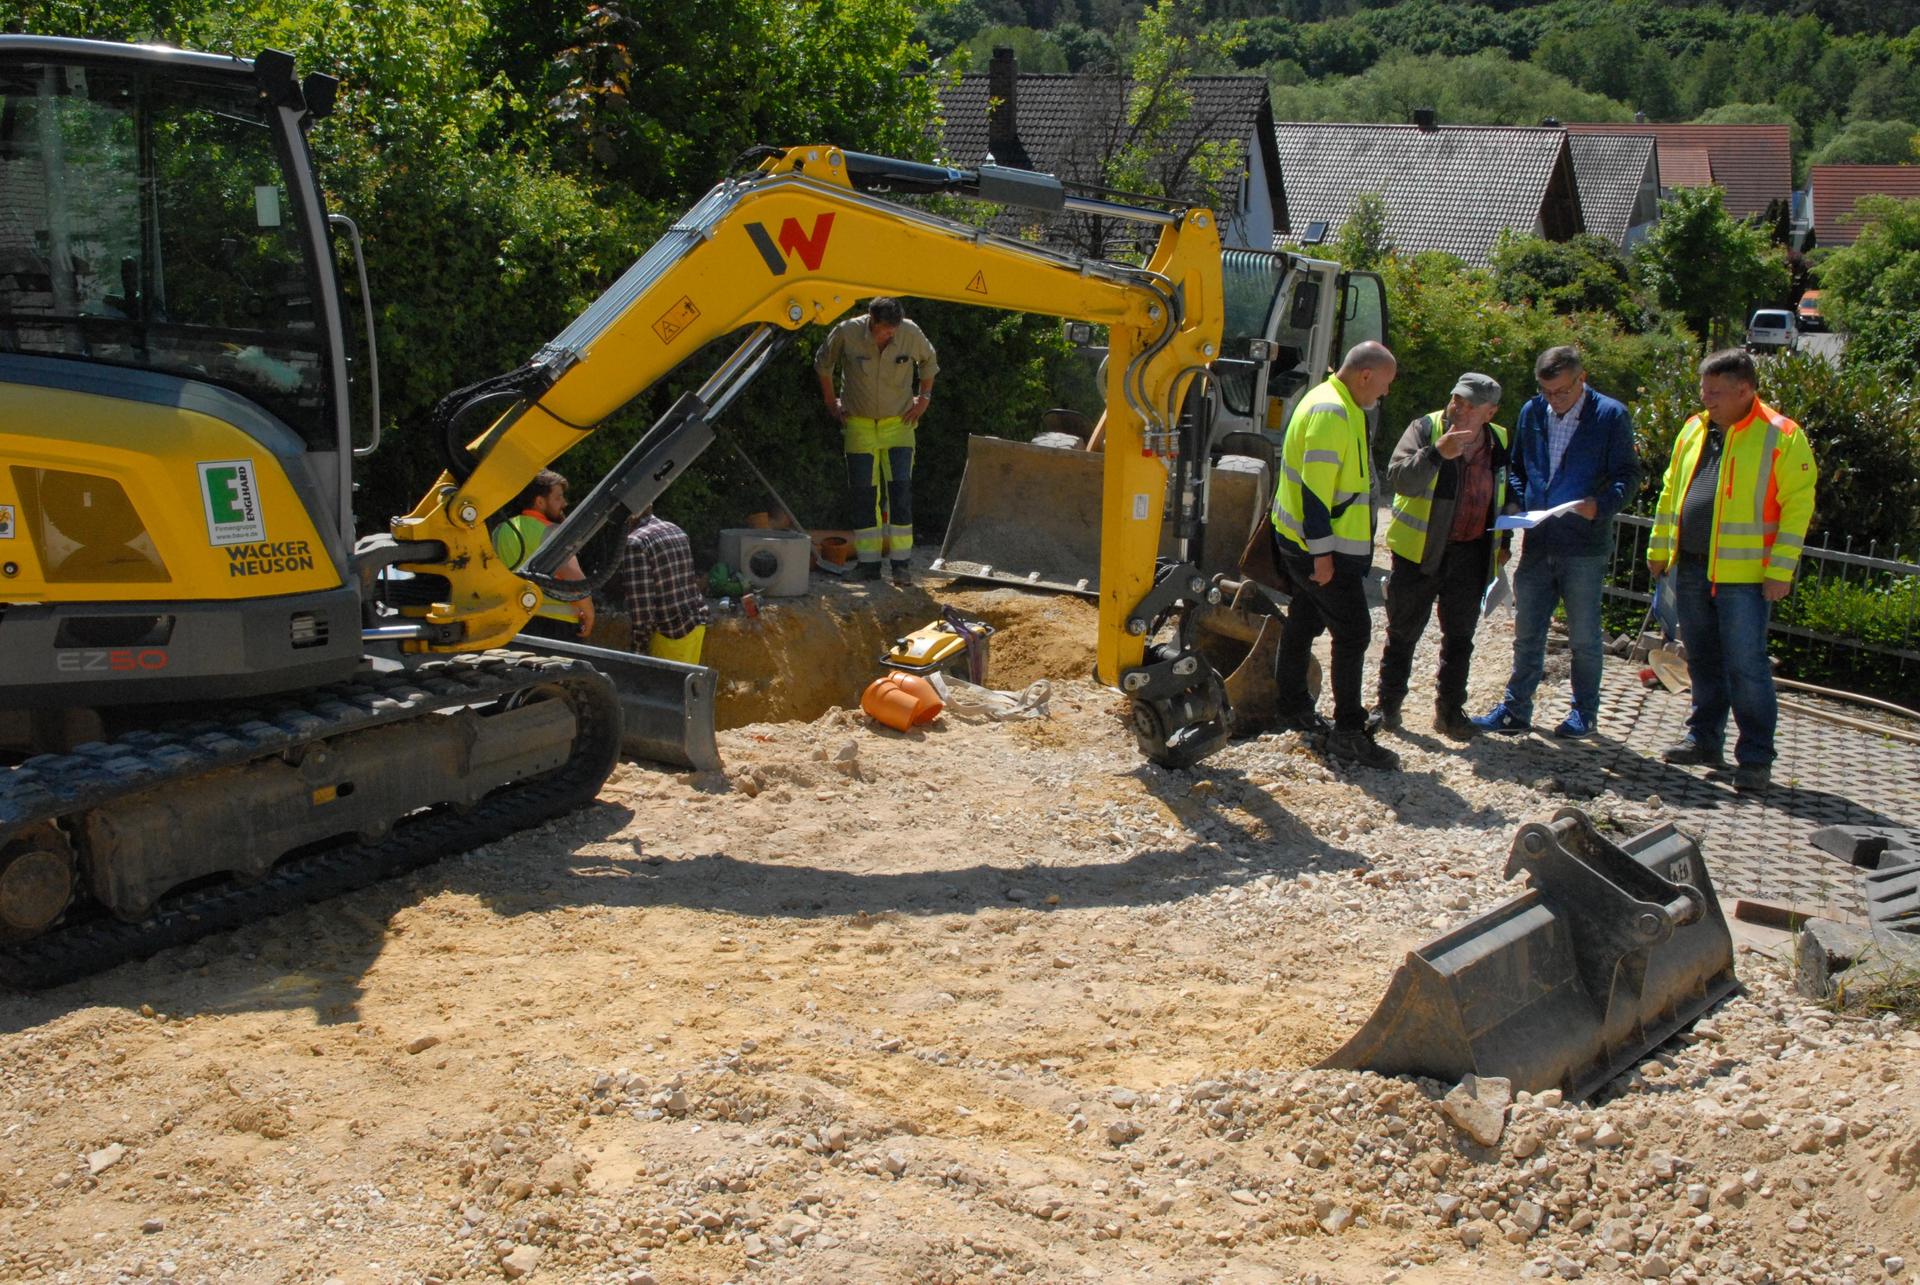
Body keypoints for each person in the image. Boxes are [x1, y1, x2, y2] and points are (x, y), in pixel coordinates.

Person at [1646, 348, 1817, 793]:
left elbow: (1798, 508)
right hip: (1694, 568)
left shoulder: (1782, 435)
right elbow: (1670, 492)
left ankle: (1756, 758)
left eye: (1716, 392)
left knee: (1747, 666)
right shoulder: (1694, 428)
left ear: (1745, 390)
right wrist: (1659, 547)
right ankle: (1704, 740)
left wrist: (1781, 570)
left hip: (1746, 576)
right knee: (1701, 658)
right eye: (1703, 390)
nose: (1707, 400)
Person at [1473, 346, 1638, 738]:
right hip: (1539, 540)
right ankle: (1516, 711)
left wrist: (1600, 506)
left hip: (1584, 545)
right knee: (1527, 631)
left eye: (1562, 392)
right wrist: (1516, 500)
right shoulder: (1533, 412)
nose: (1554, 400)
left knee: (1583, 636)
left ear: (1582, 379)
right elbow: (1517, 467)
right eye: (1547, 392)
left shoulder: (1610, 416)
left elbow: (1627, 475)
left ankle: (1584, 713)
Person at [1269, 339, 1400, 770]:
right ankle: (1347, 732)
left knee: (1305, 620)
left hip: (1315, 547)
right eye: (1383, 386)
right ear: (1365, 375)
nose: (1384, 395)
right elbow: (1314, 494)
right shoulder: (1332, 411)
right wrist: (1323, 556)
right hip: (1320, 551)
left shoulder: (1337, 403)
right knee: (1354, 633)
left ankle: (1290, 703)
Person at [1373, 372, 1510, 741]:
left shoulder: (1498, 440)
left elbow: (1505, 490)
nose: (1458, 408)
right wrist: (1436, 453)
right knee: (1402, 632)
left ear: (1490, 412)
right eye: (1455, 399)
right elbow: (1399, 479)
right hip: (1419, 553)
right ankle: (1387, 707)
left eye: (1469, 404)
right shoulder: (1425, 428)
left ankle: (1449, 713)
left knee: (1460, 637)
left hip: (1472, 553)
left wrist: (1507, 534)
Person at [816, 297, 938, 584]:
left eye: (893, 330)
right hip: (858, 425)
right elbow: (823, 365)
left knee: (900, 493)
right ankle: (868, 565)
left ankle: (901, 566)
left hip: (899, 425)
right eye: (885, 330)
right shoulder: (846, 331)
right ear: (871, 320)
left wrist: (925, 399)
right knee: (864, 494)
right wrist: (831, 403)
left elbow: (929, 362)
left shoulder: (911, 332)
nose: (890, 335)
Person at [492, 469, 595, 641]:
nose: (564, 503)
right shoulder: (554, 533)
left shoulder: (500, 530)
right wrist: (589, 612)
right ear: (540, 501)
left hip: (514, 621)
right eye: (558, 497)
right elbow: (574, 580)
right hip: (557, 627)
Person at [616, 507, 710, 664]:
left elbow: (642, 610)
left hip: (670, 634)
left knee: (665, 688)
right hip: (695, 625)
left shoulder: (635, 543)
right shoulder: (674, 529)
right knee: (683, 687)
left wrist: (638, 651)